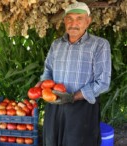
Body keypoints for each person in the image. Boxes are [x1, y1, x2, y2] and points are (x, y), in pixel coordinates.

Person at [35, 2, 112, 146]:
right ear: (64, 21)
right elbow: (48, 72)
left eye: (79, 18)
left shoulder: (100, 45)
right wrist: (42, 85)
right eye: (69, 18)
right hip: (54, 104)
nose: (73, 23)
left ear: (88, 21)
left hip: (82, 108)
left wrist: (72, 97)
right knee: (51, 141)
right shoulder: (56, 45)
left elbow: (103, 83)